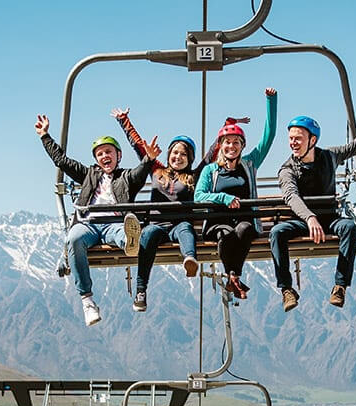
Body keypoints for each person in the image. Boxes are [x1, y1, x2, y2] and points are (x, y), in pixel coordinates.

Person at [270, 97, 356, 311]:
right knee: (277, 232)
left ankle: (340, 286)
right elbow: (291, 196)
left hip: (329, 219)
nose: (293, 143)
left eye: (298, 138)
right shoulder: (287, 169)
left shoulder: (329, 156)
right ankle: (286, 289)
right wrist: (309, 217)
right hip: (302, 221)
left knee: (350, 228)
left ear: (312, 140)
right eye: (291, 139)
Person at [111, 108, 241, 311]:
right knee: (148, 235)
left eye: (183, 154)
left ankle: (190, 259)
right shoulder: (157, 170)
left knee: (185, 230)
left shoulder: (194, 176)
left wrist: (227, 126)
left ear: (189, 159)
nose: (178, 157)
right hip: (157, 224)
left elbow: (212, 153)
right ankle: (140, 290)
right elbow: (139, 146)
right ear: (168, 154)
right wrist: (124, 120)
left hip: (180, 223)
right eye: (175, 153)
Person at [35, 114, 160, 325]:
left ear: (118, 155)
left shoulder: (126, 177)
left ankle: (130, 241)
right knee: (74, 239)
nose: (104, 157)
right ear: (96, 159)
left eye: (108, 152)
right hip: (89, 224)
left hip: (115, 223)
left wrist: (148, 159)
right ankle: (88, 302)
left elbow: (140, 173)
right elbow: (61, 161)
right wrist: (45, 136)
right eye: (100, 154)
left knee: (124, 233)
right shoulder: (88, 175)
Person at [194, 88, 278, 299]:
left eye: (236, 142)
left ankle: (232, 276)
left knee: (245, 230)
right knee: (227, 235)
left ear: (242, 146)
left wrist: (271, 101)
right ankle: (235, 277)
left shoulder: (249, 165)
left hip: (244, 220)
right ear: (221, 146)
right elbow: (199, 196)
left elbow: (269, 136)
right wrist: (223, 198)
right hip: (217, 221)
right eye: (227, 142)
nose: (232, 146)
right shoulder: (210, 170)